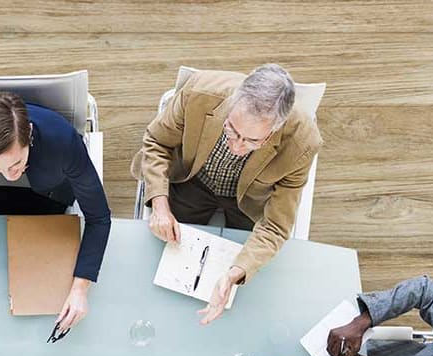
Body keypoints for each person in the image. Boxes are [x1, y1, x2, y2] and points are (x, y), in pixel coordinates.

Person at [131, 65, 322, 325]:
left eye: (253, 141)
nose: (236, 147)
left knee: (246, 290)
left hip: (248, 203)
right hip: (191, 181)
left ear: (276, 129)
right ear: (233, 102)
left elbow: (276, 227)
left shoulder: (304, 143)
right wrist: (161, 207)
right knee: (160, 258)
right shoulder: (199, 93)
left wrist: (235, 274)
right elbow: (157, 142)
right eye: (232, 130)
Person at [0, 91, 111, 332]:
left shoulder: (63, 142)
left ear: (28, 132)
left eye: (16, 163)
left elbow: (99, 217)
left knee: (41, 289)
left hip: (46, 201)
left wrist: (80, 290)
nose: (10, 175)